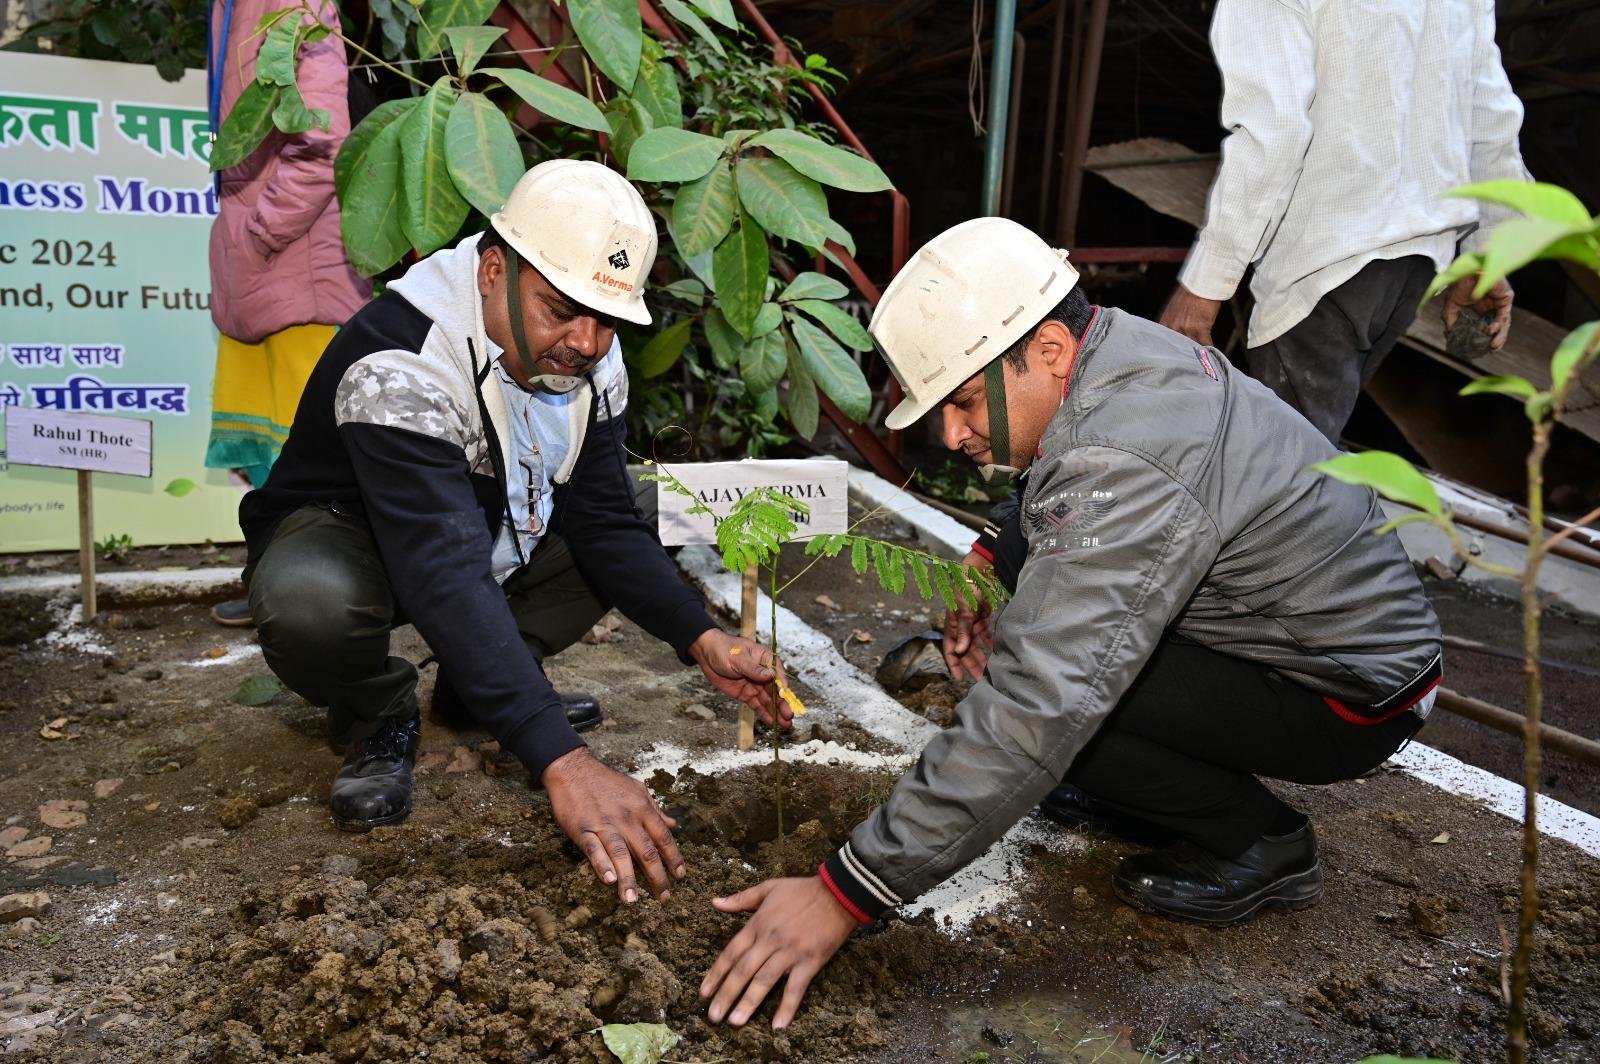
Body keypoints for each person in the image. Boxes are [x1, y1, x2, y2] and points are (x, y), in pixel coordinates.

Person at [698, 218, 1443, 1029]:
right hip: (1281, 637)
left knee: (1055, 706)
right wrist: (988, 562)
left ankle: (1262, 841)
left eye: (958, 399)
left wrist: (846, 891)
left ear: (1049, 348)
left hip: (1345, 696)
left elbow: (1039, 704)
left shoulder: (1130, 458)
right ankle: (1143, 789)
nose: (950, 434)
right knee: (1050, 654)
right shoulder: (1116, 350)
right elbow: (1065, 472)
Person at [239, 160, 788, 905]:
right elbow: (441, 567)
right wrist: (562, 759)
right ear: (494, 270)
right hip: (359, 537)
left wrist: (700, 637)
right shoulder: (401, 362)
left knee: (651, 505)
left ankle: (480, 689)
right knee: (309, 600)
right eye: (562, 310)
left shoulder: (591, 353)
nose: (588, 343)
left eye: (608, 320)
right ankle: (378, 709)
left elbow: (600, 519)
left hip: (482, 525)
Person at [1158, 0, 1529, 443]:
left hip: (1324, 263)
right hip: (1414, 264)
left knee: (1283, 479)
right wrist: (1486, 257)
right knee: (1306, 458)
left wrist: (1204, 287)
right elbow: (1492, 118)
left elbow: (1273, 136)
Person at [205, 0, 371, 625]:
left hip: (296, 266)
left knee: (314, 456)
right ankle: (277, 587)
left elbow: (323, 142)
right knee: (274, 455)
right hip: (259, 269)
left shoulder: (292, 4)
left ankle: (330, 603)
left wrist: (258, 231)